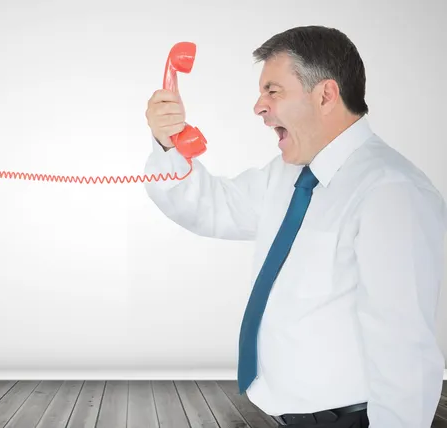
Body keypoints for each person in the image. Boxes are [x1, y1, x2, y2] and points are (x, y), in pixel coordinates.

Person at [143, 25, 446, 428]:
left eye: (273, 91)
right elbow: (212, 207)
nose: (258, 106)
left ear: (325, 95)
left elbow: (405, 351)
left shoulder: (392, 191)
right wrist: (168, 144)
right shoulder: (287, 175)